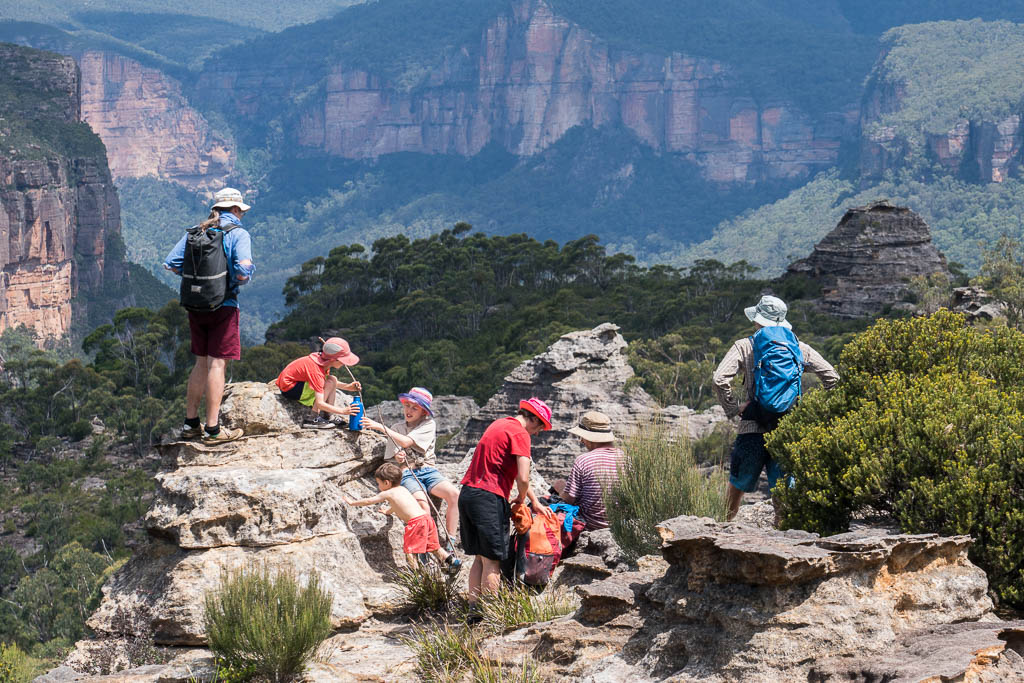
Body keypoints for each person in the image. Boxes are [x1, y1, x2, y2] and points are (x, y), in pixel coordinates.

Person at [713, 295, 839, 520]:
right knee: (784, 490)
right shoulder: (798, 347)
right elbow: (832, 378)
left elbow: (719, 379)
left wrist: (734, 409)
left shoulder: (745, 346)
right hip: (787, 429)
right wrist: (817, 413)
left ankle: (722, 528)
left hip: (752, 427)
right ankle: (784, 532)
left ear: (757, 320)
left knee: (737, 484)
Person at [164, 187, 255, 443]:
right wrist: (235, 279)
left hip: (196, 305)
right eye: (241, 211)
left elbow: (171, 263)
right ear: (235, 209)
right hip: (224, 306)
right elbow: (243, 272)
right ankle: (213, 429)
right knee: (217, 364)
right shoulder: (238, 233)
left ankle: (190, 423)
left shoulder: (197, 231)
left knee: (201, 363)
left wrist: (199, 281)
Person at [458, 397, 554, 615]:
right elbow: (523, 476)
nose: (537, 433)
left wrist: (534, 501)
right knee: (493, 561)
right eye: (539, 428)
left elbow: (513, 472)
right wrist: (521, 498)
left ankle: (474, 611)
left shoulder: (499, 424)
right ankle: (491, 614)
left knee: (479, 558)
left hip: (468, 494)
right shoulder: (520, 434)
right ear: (534, 420)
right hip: (489, 498)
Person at [362, 387, 462, 544]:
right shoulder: (397, 428)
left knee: (454, 495)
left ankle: (451, 539)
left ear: (423, 412)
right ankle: (429, 543)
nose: (409, 410)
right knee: (423, 505)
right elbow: (394, 457)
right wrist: (398, 457)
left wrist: (381, 427)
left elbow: (406, 442)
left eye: (414, 408)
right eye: (407, 405)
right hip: (408, 473)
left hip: (428, 470)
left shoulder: (428, 424)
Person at [343, 463, 459, 573]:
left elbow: (369, 501)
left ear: (387, 482)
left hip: (416, 523)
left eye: (379, 483)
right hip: (426, 519)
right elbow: (398, 505)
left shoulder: (388, 493)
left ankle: (416, 575)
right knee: (434, 547)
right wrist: (387, 511)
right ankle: (452, 561)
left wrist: (352, 503)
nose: (378, 486)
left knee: (410, 551)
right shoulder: (403, 489)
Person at [551, 411, 624, 531]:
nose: (581, 441)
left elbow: (569, 499)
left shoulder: (583, 460)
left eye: (582, 437)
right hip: (619, 527)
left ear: (591, 438)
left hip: (590, 525)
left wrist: (560, 489)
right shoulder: (626, 460)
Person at [276, 338, 362, 428]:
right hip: (290, 388)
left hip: (297, 383)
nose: (344, 364)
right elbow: (320, 403)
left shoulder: (323, 360)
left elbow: (323, 379)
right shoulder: (316, 370)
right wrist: (342, 411)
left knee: (332, 379)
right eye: (343, 360)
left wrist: (347, 387)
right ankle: (312, 419)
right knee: (329, 382)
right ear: (334, 360)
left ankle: (329, 416)